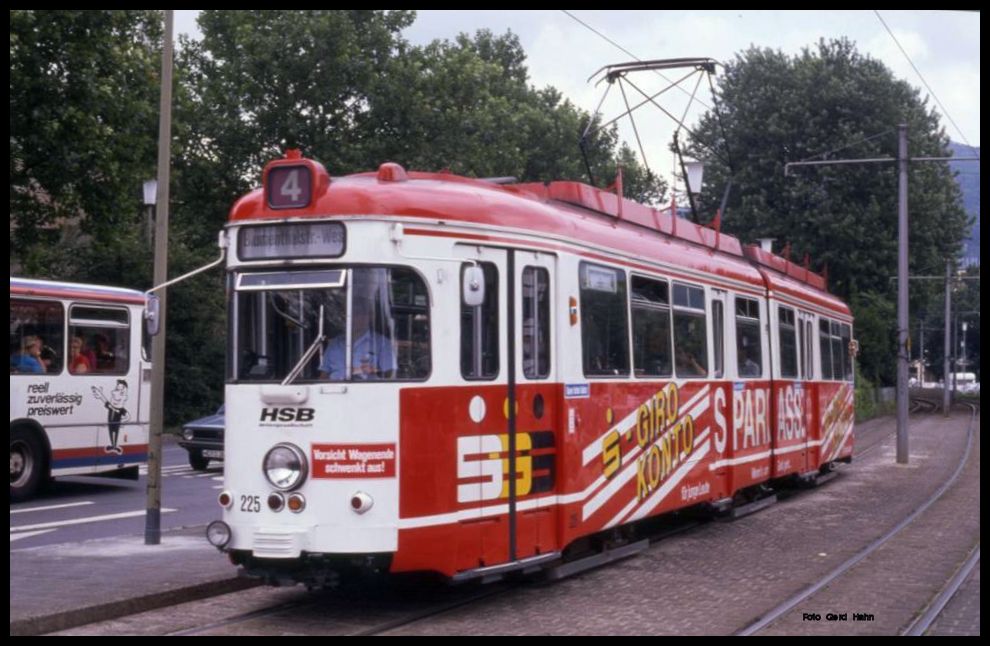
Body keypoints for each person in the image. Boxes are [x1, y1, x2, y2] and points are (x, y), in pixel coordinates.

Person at [319, 300, 396, 380]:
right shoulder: (334, 344)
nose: (355, 317)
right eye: (351, 313)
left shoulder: (382, 343)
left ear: (369, 317)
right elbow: (324, 374)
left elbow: (390, 374)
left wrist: (375, 370)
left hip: (367, 389)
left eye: (360, 313)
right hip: (334, 389)